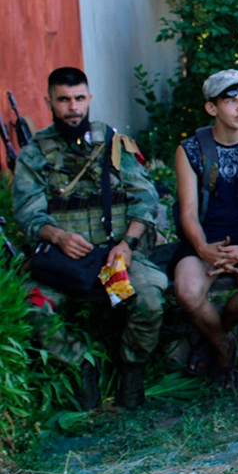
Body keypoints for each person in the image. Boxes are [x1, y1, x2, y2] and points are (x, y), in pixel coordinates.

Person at [13, 67, 167, 410]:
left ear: (89, 99)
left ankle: (131, 369)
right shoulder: (35, 153)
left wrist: (127, 243)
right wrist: (57, 235)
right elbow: (26, 211)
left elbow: (145, 197)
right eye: (64, 100)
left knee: (150, 297)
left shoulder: (113, 144)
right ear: (49, 102)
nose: (73, 107)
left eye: (79, 99)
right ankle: (81, 365)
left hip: (114, 258)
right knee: (31, 306)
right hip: (62, 262)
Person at [171, 69, 238, 386]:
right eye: (230, 100)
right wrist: (203, 249)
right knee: (189, 292)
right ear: (212, 108)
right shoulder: (191, 149)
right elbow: (188, 212)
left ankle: (211, 331)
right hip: (202, 241)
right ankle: (222, 344)